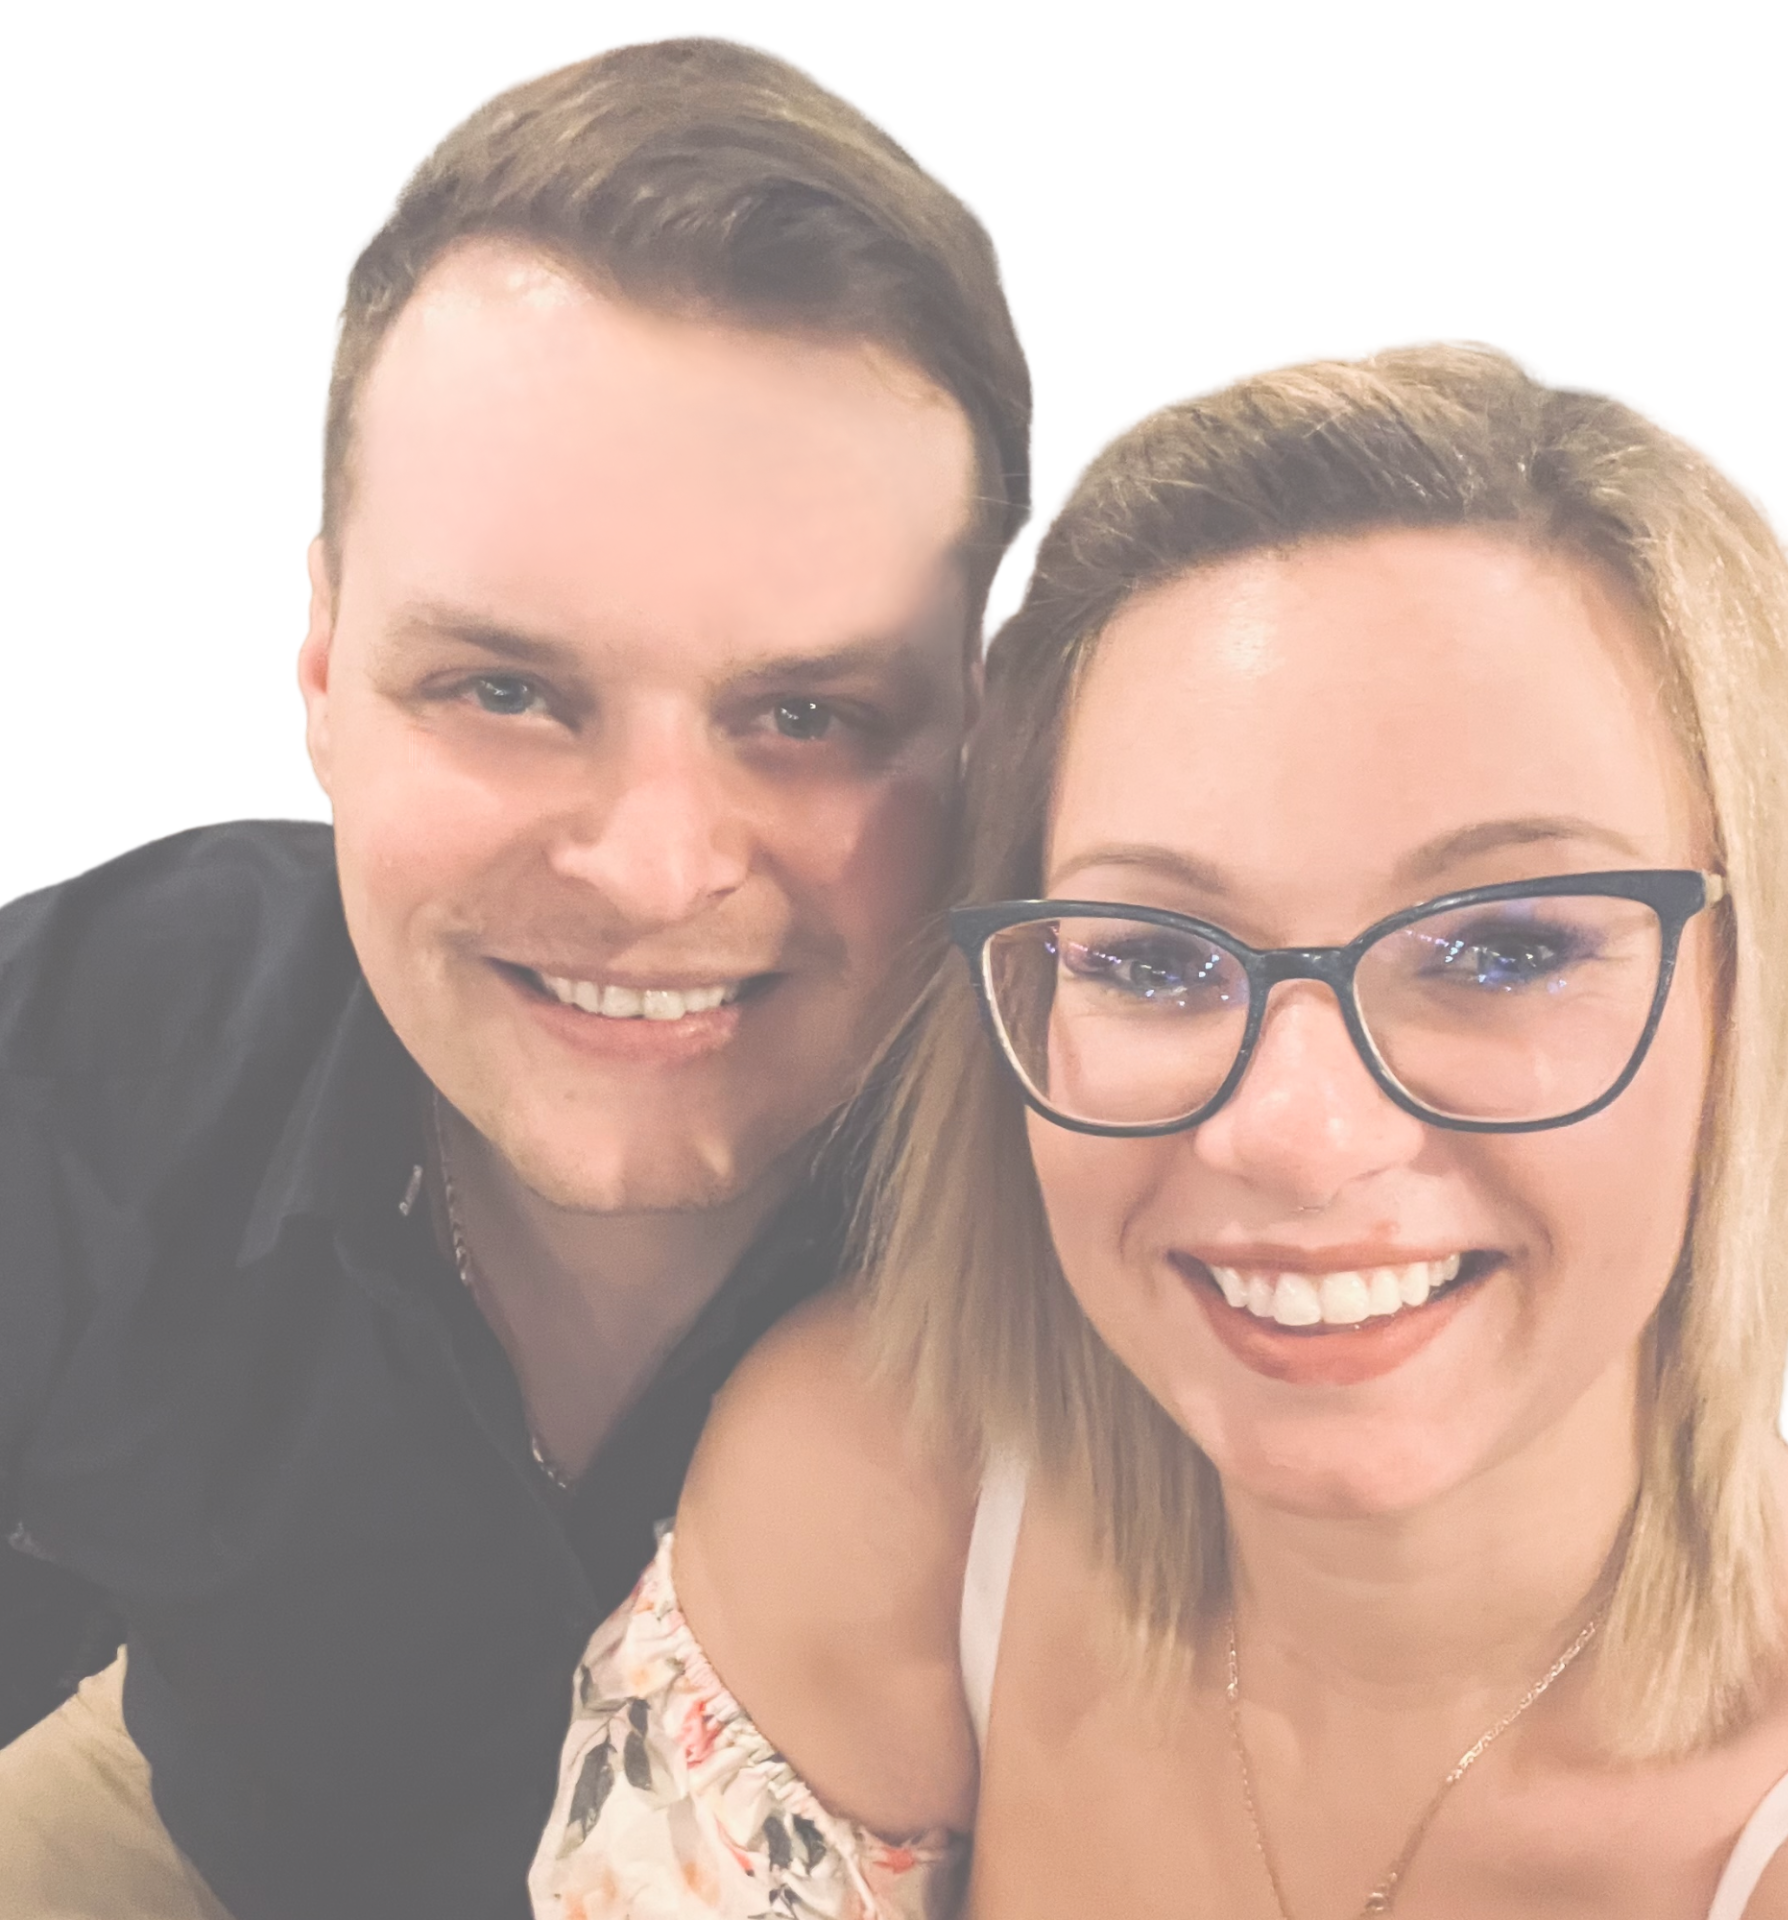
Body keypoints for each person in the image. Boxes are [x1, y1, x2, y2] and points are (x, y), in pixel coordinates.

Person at [533, 345, 1788, 1919]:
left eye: (1505, 947)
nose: (1298, 1136)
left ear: (1756, 995)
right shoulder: (886, 1499)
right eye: (1154, 959)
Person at [0, 38, 1028, 1920]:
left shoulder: (1130, 1210)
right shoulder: (73, 1068)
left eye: (807, 714)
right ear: (323, 665)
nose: (653, 868)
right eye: (504, 689)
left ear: (977, 724)